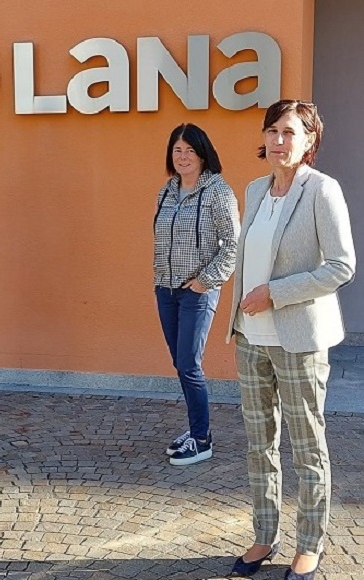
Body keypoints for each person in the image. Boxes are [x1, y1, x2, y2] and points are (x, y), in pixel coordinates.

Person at [226, 100, 355, 580]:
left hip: (298, 340)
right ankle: (265, 535)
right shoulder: (255, 189)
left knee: (306, 447)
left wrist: (274, 293)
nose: (279, 140)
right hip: (250, 338)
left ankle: (310, 545)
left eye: (290, 132)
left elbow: (341, 266)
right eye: (272, 131)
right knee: (259, 444)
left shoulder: (322, 190)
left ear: (309, 140)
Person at [153, 123, 240, 466]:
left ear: (203, 154)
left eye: (190, 150)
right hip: (166, 289)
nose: (183, 156)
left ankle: (202, 440)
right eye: (177, 150)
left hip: (197, 291)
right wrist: (160, 279)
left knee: (189, 365)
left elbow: (232, 245)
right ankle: (195, 429)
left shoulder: (218, 191)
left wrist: (206, 281)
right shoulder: (167, 191)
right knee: (181, 362)